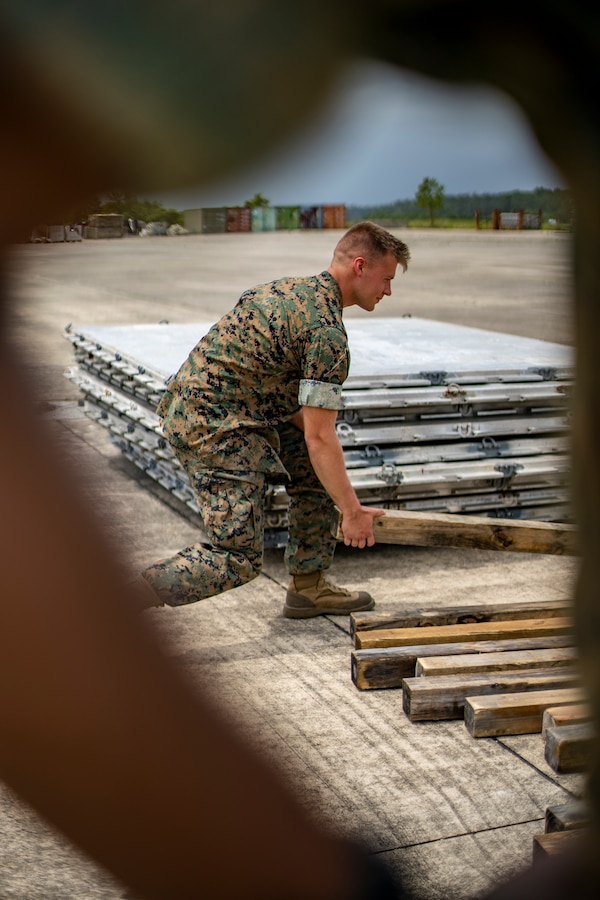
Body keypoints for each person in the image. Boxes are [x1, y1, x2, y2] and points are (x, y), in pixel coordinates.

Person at [131, 222, 410, 615]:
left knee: (316, 474)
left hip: (212, 407)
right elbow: (320, 436)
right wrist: (352, 513)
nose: (388, 291)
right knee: (236, 557)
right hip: (217, 428)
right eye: (386, 279)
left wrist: (334, 484)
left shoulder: (286, 290)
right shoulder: (326, 333)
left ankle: (308, 586)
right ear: (360, 267)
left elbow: (287, 403)